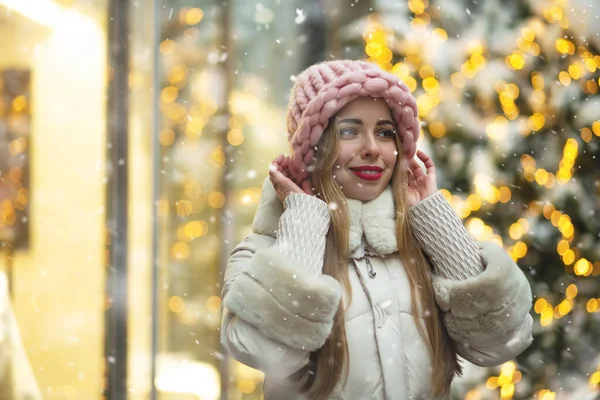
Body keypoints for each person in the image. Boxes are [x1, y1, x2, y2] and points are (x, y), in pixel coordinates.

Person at [220, 60, 533, 400]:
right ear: (313, 148)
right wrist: (305, 223)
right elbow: (266, 352)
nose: (372, 147)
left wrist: (436, 223)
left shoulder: (421, 243)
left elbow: (501, 340)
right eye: (350, 131)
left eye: (385, 132)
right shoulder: (264, 251)